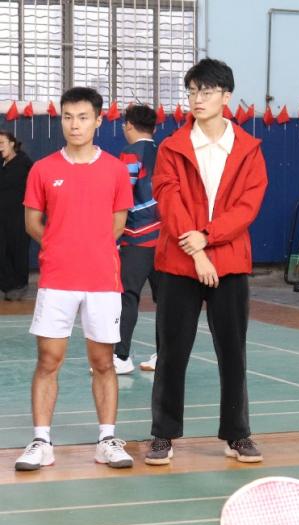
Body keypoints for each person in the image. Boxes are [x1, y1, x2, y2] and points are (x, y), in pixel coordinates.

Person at [145, 58, 269, 466]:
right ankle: (163, 435)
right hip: (179, 263)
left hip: (229, 262)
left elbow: (247, 206)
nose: (197, 99)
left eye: (207, 91)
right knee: (171, 351)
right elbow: (169, 200)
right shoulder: (172, 147)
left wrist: (210, 238)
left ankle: (238, 434)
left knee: (233, 353)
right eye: (193, 91)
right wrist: (197, 251)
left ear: (226, 97)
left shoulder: (248, 149)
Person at [16, 87, 135, 471]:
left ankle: (106, 440)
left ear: (98, 120)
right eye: (67, 117)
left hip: (102, 281)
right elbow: (32, 222)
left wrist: (91, 248)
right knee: (48, 360)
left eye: (83, 117)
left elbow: (118, 223)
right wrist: (60, 245)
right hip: (57, 279)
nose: (74, 125)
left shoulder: (115, 170)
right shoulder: (42, 169)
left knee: (103, 362)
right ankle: (41, 442)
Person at [113, 104, 162, 374]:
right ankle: (163, 356)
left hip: (137, 237)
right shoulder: (165, 151)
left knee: (127, 296)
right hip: (166, 239)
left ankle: (121, 357)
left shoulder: (130, 153)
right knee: (165, 300)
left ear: (129, 125)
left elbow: (121, 195)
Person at [0, 130, 33, 301]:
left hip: (19, 216)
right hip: (2, 216)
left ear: (12, 143)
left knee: (18, 250)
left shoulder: (24, 162)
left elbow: (36, 186)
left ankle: (20, 285)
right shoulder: (1, 163)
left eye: (1, 143)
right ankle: (8, 285)